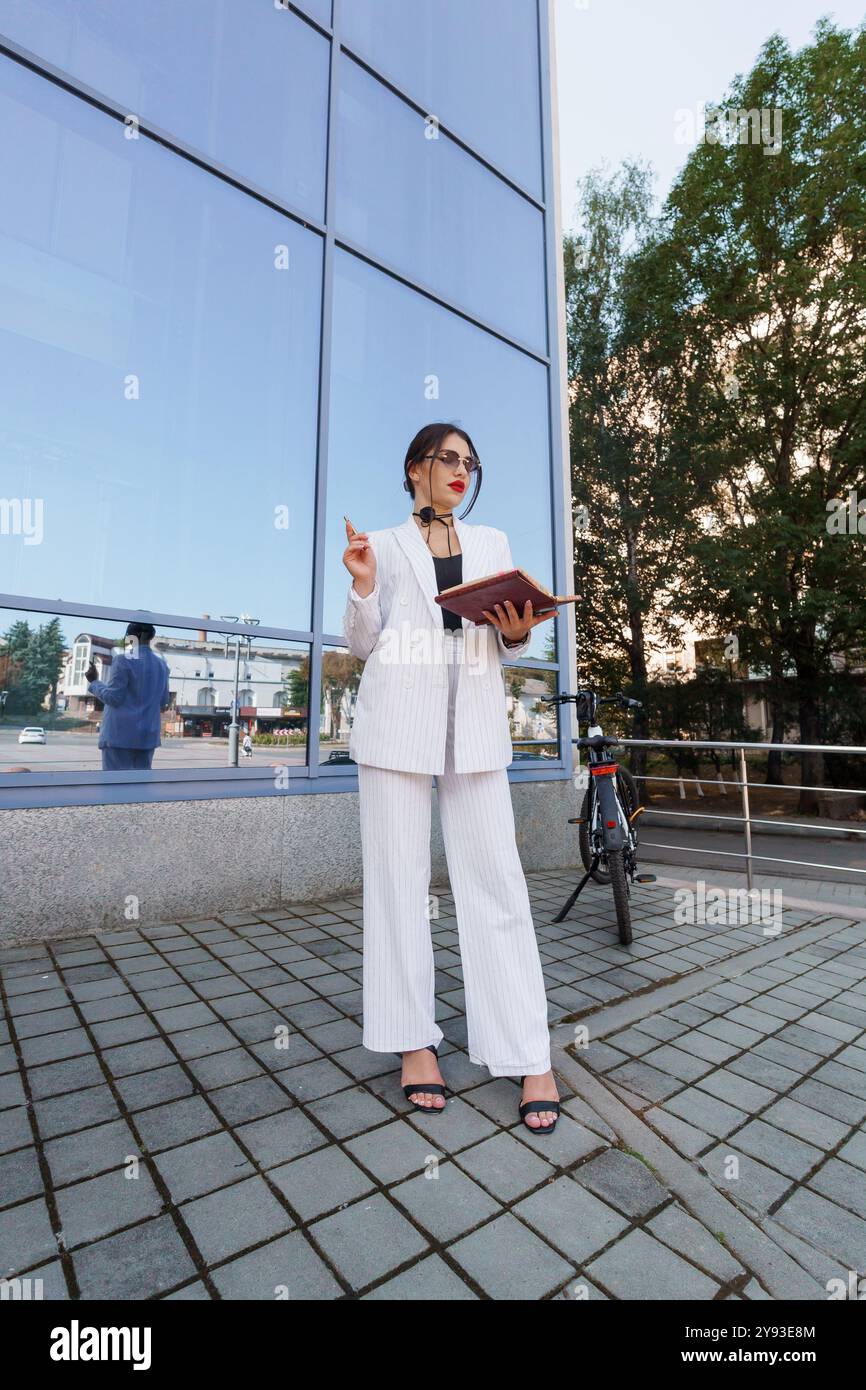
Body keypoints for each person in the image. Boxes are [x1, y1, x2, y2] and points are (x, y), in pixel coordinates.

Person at [341, 422, 561, 1133]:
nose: (461, 471)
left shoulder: (492, 543)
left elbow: (510, 638)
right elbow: (361, 644)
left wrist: (520, 627)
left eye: (471, 462)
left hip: (474, 733)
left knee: (497, 883)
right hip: (395, 729)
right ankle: (414, 1044)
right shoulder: (380, 542)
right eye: (448, 459)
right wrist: (364, 588)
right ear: (415, 469)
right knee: (398, 888)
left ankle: (529, 1051)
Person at [85, 622, 170, 772]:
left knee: (115, 789)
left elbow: (113, 698)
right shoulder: (162, 665)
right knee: (139, 788)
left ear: (131, 637)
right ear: (152, 636)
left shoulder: (123, 660)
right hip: (147, 738)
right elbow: (163, 701)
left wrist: (94, 682)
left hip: (119, 737)